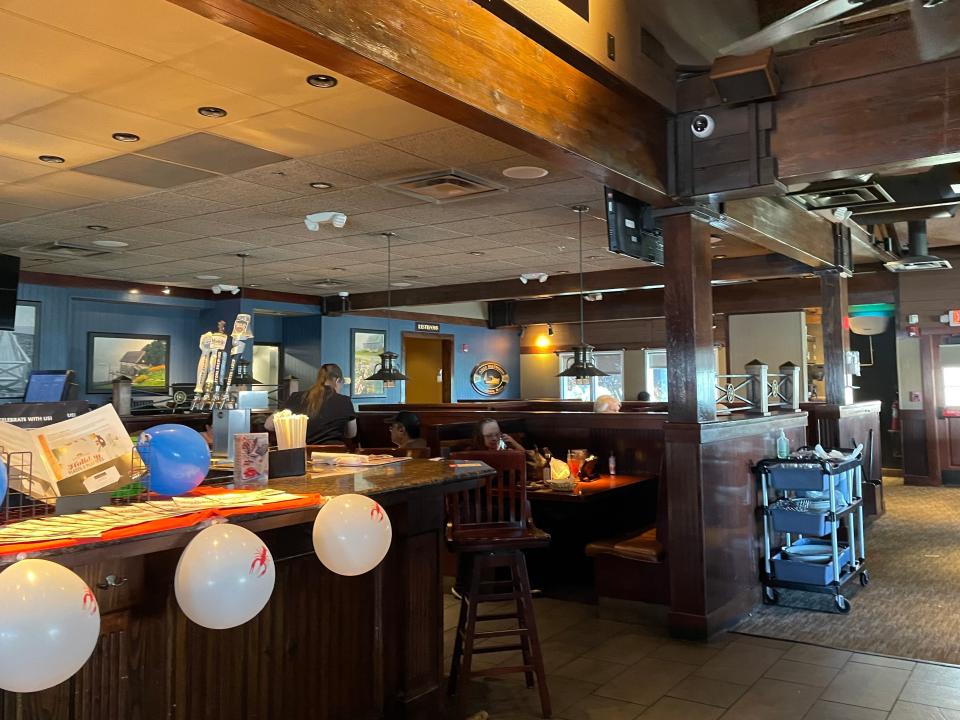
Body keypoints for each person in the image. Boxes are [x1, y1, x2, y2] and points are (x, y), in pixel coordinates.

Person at [265, 364, 356, 445]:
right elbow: (351, 433)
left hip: (302, 455)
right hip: (334, 455)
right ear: (338, 380)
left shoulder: (296, 397)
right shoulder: (345, 400)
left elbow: (268, 425)